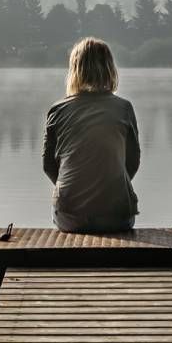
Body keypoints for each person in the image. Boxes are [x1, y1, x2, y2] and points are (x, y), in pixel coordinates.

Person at [42, 37, 140, 233]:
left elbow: (49, 166)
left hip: (70, 217)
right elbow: (132, 162)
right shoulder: (124, 108)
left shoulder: (57, 110)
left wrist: (74, 191)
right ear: (109, 69)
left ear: (75, 70)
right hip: (118, 217)